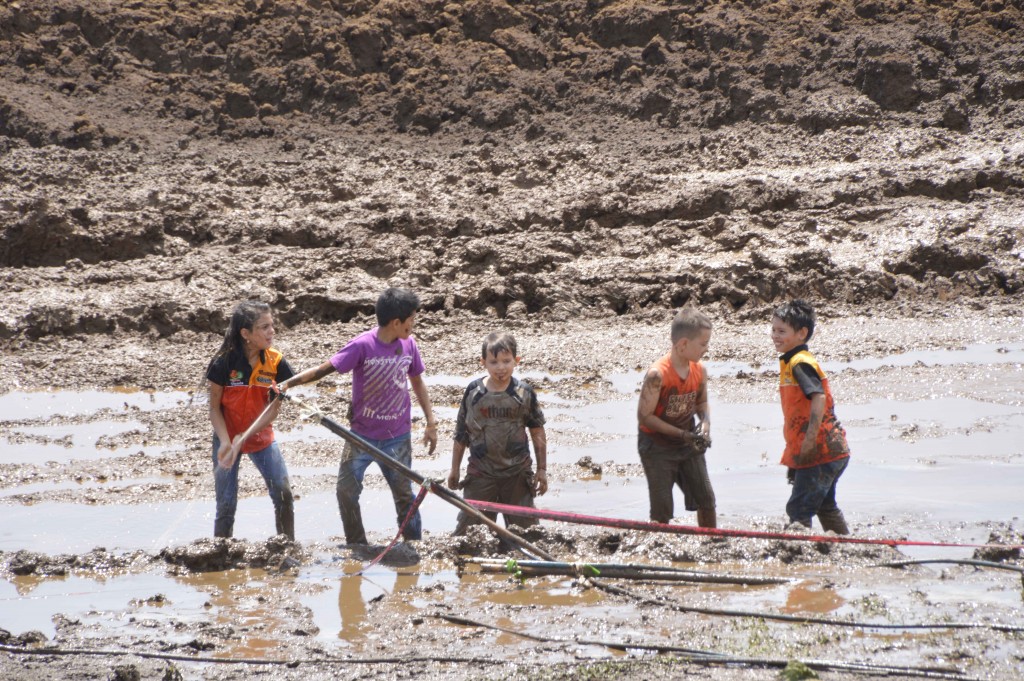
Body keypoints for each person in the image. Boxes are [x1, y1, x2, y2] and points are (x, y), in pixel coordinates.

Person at [278, 288, 437, 545]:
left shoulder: (409, 344)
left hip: (397, 436)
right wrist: (288, 383)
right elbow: (323, 369)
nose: (414, 324)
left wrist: (431, 423)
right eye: (412, 318)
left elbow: (417, 381)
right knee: (346, 492)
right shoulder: (362, 345)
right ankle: (357, 543)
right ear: (396, 322)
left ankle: (413, 545)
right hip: (361, 436)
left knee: (405, 496)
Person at [207, 300, 295, 540]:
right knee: (226, 504)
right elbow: (214, 409)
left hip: (261, 438)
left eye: (272, 325)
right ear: (246, 334)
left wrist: (243, 438)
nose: (272, 331)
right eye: (264, 327)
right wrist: (227, 442)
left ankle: (286, 547)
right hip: (226, 438)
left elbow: (272, 411)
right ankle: (220, 554)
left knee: (283, 494)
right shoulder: (223, 363)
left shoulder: (277, 363)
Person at [447, 332, 547, 535]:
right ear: (483, 362)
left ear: (516, 361)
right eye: (494, 362)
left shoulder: (523, 393)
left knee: (528, 535)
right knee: (469, 536)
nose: (500, 367)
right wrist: (454, 469)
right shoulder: (474, 393)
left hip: (517, 474)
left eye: (506, 361)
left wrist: (542, 470)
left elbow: (537, 432)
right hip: (481, 474)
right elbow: (461, 434)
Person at [771, 299, 851, 534]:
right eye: (773, 330)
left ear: (802, 333)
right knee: (825, 505)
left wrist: (808, 442)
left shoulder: (800, 363)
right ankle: (846, 546)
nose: (775, 336)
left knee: (799, 509)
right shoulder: (791, 361)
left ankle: (797, 554)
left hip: (820, 450)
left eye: (782, 331)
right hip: (833, 450)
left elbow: (818, 398)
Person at [636, 308, 717, 528]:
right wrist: (682, 434)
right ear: (682, 345)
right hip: (657, 446)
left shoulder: (699, 370)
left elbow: (701, 402)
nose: (706, 349)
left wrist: (706, 423)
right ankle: (660, 546)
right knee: (662, 510)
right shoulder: (658, 375)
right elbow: (644, 417)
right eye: (703, 344)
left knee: (706, 499)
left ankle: (712, 544)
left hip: (688, 443)